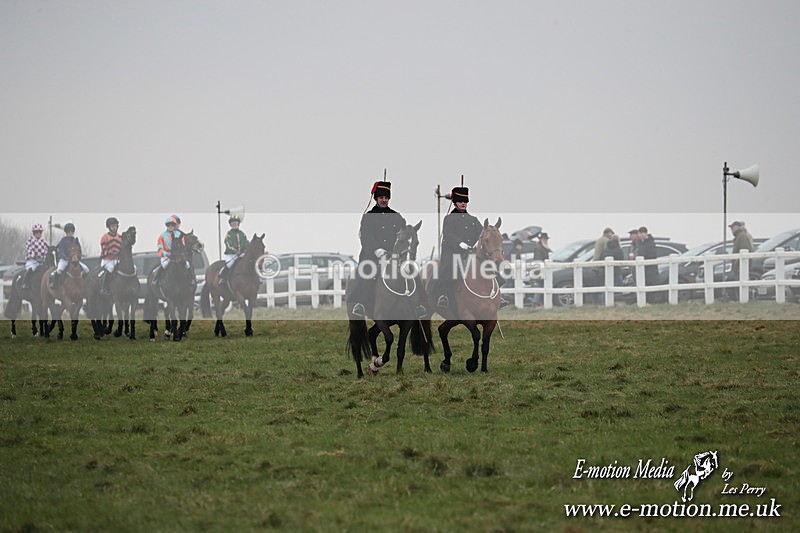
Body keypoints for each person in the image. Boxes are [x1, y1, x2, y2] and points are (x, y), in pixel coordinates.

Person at [349, 180, 407, 317]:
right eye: (381, 198)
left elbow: (402, 235)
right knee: (367, 273)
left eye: (386, 198)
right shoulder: (368, 217)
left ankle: (418, 303)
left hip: (393, 256)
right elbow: (366, 238)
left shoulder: (397, 217)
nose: (384, 200)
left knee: (410, 272)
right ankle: (361, 304)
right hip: (372, 255)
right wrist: (378, 251)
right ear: (376, 199)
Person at [431, 186, 483, 308]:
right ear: (455, 203)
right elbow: (448, 235)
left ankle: (497, 295)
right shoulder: (449, 219)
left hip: (471, 252)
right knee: (449, 268)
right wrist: (460, 244)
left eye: (465, 201)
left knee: (489, 266)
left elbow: (481, 232)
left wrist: (476, 243)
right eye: (460, 201)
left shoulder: (473, 219)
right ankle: (444, 295)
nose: (463, 204)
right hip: (453, 252)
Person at [49, 223, 89, 289]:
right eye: (68, 231)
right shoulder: (63, 241)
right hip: (65, 260)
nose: (70, 233)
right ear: (66, 232)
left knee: (86, 269)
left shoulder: (76, 240)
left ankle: (86, 286)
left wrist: (78, 257)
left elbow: (79, 250)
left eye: (72, 231)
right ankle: (55, 284)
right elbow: (61, 251)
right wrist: (65, 257)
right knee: (59, 270)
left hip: (75, 260)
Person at [153, 216, 190, 283]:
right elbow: (160, 248)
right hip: (167, 256)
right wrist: (166, 254)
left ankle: (191, 279)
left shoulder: (179, 235)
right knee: (165, 265)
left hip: (178, 256)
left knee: (187, 265)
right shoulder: (162, 236)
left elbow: (183, 246)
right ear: (166, 226)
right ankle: (156, 279)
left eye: (172, 225)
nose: (170, 226)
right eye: (168, 225)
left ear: (174, 226)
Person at [219, 214, 249, 285]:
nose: (234, 225)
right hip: (232, 254)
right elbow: (228, 244)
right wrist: (235, 251)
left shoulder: (242, 234)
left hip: (241, 253)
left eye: (235, 223)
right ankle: (223, 278)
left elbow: (246, 243)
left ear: (238, 224)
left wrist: (244, 250)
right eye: (233, 224)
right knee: (230, 264)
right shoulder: (229, 234)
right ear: (230, 225)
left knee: (248, 262)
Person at [97, 217, 122, 295]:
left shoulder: (120, 237)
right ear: (109, 227)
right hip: (107, 260)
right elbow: (104, 249)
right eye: (112, 226)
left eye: (115, 226)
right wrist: (110, 253)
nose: (114, 228)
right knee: (111, 269)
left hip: (117, 259)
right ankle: (103, 288)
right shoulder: (104, 237)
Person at [22, 223, 48, 289]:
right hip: (32, 261)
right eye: (37, 232)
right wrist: (36, 257)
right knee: (32, 268)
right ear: (34, 232)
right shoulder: (29, 241)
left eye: (40, 232)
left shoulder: (44, 241)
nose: (38, 233)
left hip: (41, 262)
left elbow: (46, 251)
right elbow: (30, 250)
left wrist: (44, 258)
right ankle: (25, 283)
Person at [637, 226, 658, 302]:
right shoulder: (640, 243)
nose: (638, 235)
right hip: (643, 269)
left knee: (650, 285)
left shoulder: (650, 243)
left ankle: (651, 302)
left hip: (650, 269)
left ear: (644, 233)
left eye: (640, 233)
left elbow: (652, 255)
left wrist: (642, 256)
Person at [531, 232, 551, 306]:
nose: (545, 241)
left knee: (541, 287)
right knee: (539, 287)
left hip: (541, 270)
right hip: (539, 271)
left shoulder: (543, 248)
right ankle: (535, 303)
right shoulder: (539, 248)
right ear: (541, 240)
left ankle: (538, 302)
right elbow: (538, 261)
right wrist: (540, 272)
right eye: (544, 239)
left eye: (546, 239)